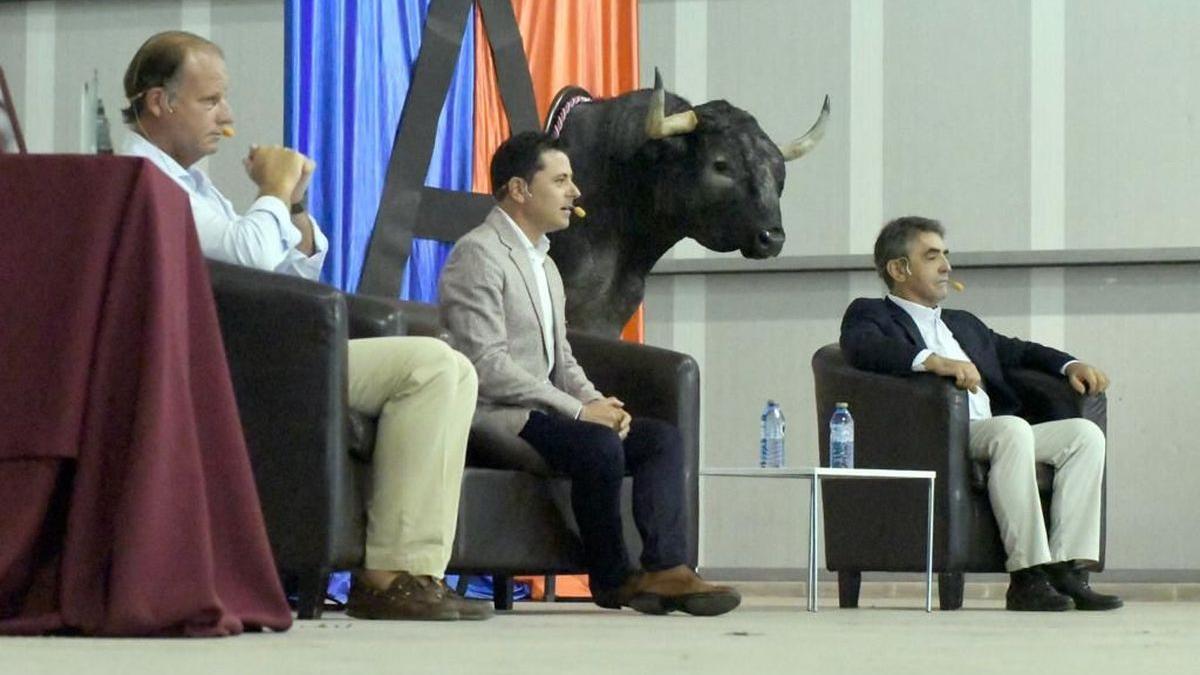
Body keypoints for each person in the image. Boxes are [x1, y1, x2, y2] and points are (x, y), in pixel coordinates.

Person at [119, 31, 489, 621]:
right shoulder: (142, 175)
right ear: (160, 102)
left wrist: (290, 204)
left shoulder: (192, 181)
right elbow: (246, 255)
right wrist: (271, 189)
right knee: (430, 367)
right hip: (216, 360)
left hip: (259, 348)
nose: (228, 116)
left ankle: (412, 571)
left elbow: (288, 273)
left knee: (449, 368)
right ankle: (389, 575)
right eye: (210, 101)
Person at [438, 130, 740, 616]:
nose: (574, 192)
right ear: (519, 189)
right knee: (596, 444)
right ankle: (612, 578)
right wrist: (579, 412)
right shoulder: (479, 253)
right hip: (499, 414)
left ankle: (667, 568)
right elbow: (486, 366)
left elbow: (562, 358)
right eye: (560, 180)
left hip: (546, 412)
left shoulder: (545, 264)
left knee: (660, 440)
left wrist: (598, 404)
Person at [841, 216, 1123, 612]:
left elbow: (1019, 351)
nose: (946, 267)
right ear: (898, 269)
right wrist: (931, 360)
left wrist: (1070, 364)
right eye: (932, 257)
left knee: (1083, 435)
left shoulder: (963, 323)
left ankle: (1067, 568)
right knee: (1012, 430)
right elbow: (862, 347)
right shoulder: (870, 313)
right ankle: (1027, 576)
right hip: (938, 434)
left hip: (991, 431)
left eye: (946, 255)